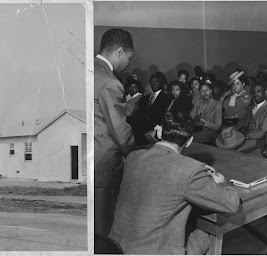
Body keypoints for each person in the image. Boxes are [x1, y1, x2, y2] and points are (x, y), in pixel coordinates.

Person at [109, 112, 241, 255]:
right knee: (210, 230)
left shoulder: (133, 157)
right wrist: (221, 183)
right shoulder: (191, 170)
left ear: (159, 131)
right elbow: (231, 204)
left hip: (116, 248)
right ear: (189, 141)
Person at [94, 28, 137, 237]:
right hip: (103, 165)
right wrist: (135, 154)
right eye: (128, 58)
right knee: (103, 228)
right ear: (119, 52)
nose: (128, 64)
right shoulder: (110, 81)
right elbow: (120, 130)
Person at [133, 73, 172, 145]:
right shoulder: (144, 99)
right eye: (152, 82)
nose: (154, 83)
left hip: (155, 128)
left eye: (156, 81)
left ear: (160, 82)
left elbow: (164, 115)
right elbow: (138, 113)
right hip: (141, 128)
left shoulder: (167, 98)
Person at [237, 84, 267, 153]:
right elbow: (243, 124)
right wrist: (241, 129)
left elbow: (263, 132)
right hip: (246, 137)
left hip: (259, 140)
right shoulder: (250, 107)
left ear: (265, 93)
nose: (256, 94)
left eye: (258, 91)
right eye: (254, 92)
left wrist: (245, 135)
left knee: (236, 151)